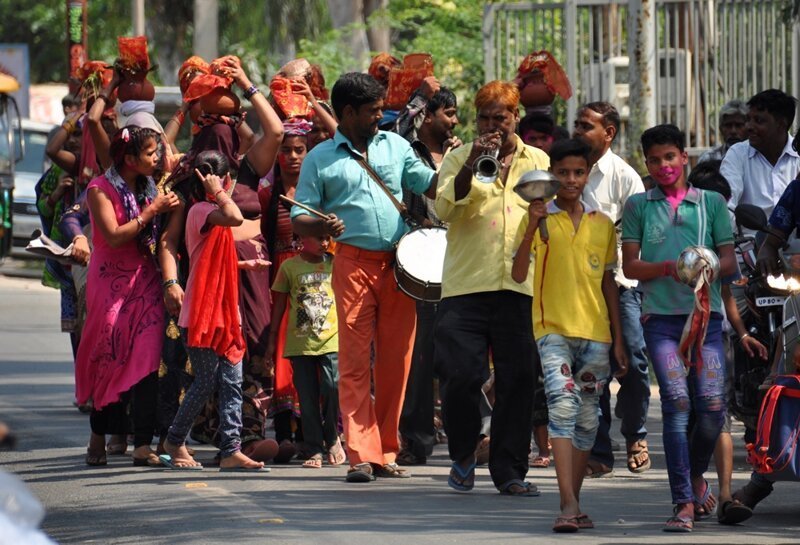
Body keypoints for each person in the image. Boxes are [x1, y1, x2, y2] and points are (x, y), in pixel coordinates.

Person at [291, 72, 437, 483]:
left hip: (398, 266)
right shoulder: (320, 157)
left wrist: (464, 164)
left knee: (397, 362)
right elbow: (299, 216)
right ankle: (360, 454)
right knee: (354, 363)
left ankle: (386, 450)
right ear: (349, 113)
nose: (379, 117)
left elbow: (429, 184)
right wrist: (320, 228)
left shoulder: (397, 145)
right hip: (351, 264)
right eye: (373, 111)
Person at [434, 80, 549, 496]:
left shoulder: (537, 160)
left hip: (518, 286)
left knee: (518, 382)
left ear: (515, 117)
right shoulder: (459, 157)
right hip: (465, 285)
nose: (491, 126)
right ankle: (464, 454)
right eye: (484, 118)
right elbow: (445, 208)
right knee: (460, 376)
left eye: (499, 118)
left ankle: (510, 472)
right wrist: (473, 164)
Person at [621, 124, 736, 532]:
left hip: (708, 318)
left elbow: (730, 262)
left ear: (684, 158)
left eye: (670, 157)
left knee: (712, 409)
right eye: (654, 160)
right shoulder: (638, 205)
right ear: (647, 164)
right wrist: (670, 269)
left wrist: (704, 269)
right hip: (660, 321)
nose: (664, 165)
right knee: (675, 403)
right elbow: (631, 266)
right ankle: (683, 504)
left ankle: (694, 477)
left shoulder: (712, 203)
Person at [512, 138, 627, 532]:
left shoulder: (603, 224)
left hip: (597, 334)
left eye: (579, 172)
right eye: (563, 173)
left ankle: (574, 502)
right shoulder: (540, 218)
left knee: (587, 420)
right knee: (562, 407)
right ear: (552, 175)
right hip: (551, 329)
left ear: (588, 174)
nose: (571, 179)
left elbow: (609, 283)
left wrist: (619, 339)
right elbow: (516, 272)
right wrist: (531, 224)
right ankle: (566, 503)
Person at [76, 126, 181, 467]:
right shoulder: (99, 189)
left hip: (146, 279)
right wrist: (152, 211)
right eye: (151, 153)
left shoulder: (152, 186)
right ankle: (98, 435)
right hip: (109, 282)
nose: (157, 158)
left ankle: (142, 443)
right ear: (131, 159)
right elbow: (114, 236)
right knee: (110, 354)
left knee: (149, 358)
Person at [160, 165, 265, 472]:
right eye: (226, 180)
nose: (229, 186)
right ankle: (174, 441)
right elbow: (235, 217)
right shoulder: (200, 211)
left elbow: (214, 258)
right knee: (206, 381)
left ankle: (231, 449)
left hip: (226, 312)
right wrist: (218, 190)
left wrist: (245, 264)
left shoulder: (213, 211)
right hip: (203, 312)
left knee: (232, 382)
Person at [572, 101, 649, 478]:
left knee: (632, 359)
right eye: (576, 125)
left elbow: (635, 236)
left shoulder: (624, 176)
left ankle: (634, 432)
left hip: (620, 283)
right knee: (592, 365)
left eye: (586, 126)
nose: (578, 132)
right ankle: (600, 450)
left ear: (609, 133)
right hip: (578, 287)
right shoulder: (568, 171)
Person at [688, 164, 766, 525]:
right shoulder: (673, 237)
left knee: (717, 415)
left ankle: (723, 496)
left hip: (716, 336)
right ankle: (689, 488)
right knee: (684, 413)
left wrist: (743, 333)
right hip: (675, 337)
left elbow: (726, 294)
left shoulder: (725, 247)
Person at [394, 85, 460, 466]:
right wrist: (419, 93)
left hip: (459, 260)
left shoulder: (463, 153)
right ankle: (416, 441)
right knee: (419, 357)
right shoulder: (406, 149)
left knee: (459, 354)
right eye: (448, 113)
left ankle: (464, 437)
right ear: (428, 115)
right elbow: (397, 124)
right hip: (419, 256)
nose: (454, 121)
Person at [267, 234, 345, 469]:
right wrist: (271, 342)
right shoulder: (289, 266)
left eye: (327, 238)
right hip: (300, 343)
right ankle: (314, 448)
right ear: (302, 239)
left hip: (331, 339)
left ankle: (332, 439)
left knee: (332, 387)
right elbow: (279, 306)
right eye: (319, 238)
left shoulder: (335, 262)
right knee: (307, 398)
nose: (324, 242)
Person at [721, 89, 800, 214]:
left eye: (758, 121)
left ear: (781, 124)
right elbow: (725, 206)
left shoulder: (798, 155)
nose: (749, 127)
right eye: (748, 119)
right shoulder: (737, 154)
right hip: (748, 234)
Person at [697, 100, 748, 164]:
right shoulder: (708, 158)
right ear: (721, 129)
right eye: (728, 125)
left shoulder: (757, 158)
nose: (733, 131)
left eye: (739, 125)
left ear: (748, 128)